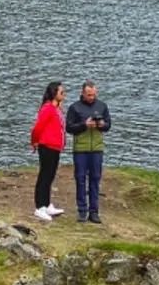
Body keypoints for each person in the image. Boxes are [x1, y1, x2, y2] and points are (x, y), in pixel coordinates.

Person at [65, 80, 111, 223]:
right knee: (80, 179)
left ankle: (94, 211)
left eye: (94, 95)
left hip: (97, 148)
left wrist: (101, 125)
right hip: (80, 149)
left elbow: (108, 125)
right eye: (89, 95)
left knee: (95, 179)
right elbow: (69, 128)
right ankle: (82, 210)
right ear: (83, 93)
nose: (92, 97)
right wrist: (84, 125)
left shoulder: (102, 106)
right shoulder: (75, 108)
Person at [29, 81, 66, 221]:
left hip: (55, 146)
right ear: (54, 93)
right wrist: (34, 141)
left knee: (50, 175)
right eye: (61, 92)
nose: (64, 94)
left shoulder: (56, 108)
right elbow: (38, 127)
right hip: (47, 146)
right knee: (44, 176)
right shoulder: (48, 108)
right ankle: (40, 207)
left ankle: (47, 203)